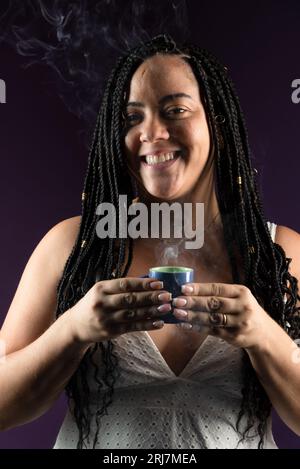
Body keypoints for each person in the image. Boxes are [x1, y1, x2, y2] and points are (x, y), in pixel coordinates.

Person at [0, 34, 299, 450]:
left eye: (174, 109)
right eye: (131, 117)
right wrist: (74, 330)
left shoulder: (278, 253)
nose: (151, 132)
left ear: (219, 122)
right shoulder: (74, 246)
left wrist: (263, 335)